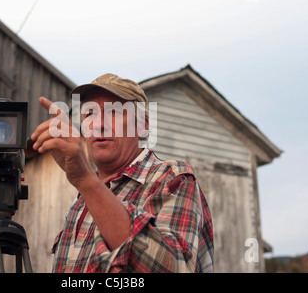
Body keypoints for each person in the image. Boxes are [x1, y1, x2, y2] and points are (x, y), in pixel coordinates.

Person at [30, 73, 214, 273]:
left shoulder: (171, 177)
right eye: (89, 114)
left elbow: (171, 268)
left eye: (114, 113)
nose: (99, 124)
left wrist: (86, 181)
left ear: (143, 125)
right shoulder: (83, 198)